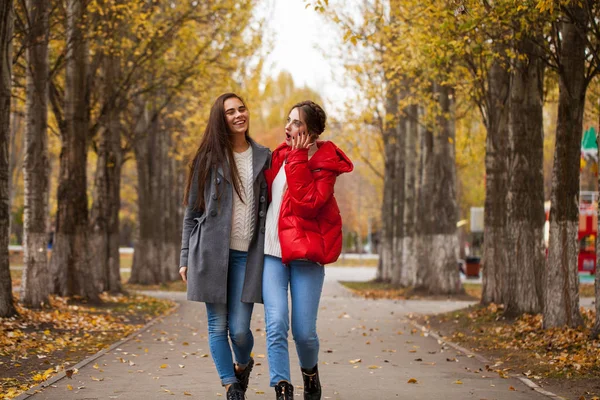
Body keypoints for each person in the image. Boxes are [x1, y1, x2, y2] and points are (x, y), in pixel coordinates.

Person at [179, 93, 270, 400]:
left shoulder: (263, 156)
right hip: (210, 253)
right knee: (217, 326)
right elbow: (192, 212)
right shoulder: (207, 159)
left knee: (240, 331)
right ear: (221, 119)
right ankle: (231, 386)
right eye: (230, 112)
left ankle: (243, 365)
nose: (237, 115)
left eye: (241, 109)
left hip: (247, 256)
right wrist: (184, 258)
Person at [262, 101, 353, 400]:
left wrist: (299, 157)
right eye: (287, 121)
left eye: (296, 123)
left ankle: (310, 374)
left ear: (311, 131)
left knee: (303, 333)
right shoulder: (279, 155)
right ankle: (282, 388)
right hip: (273, 254)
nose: (288, 128)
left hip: (306, 256)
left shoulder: (326, 165)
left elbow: (308, 204)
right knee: (276, 325)